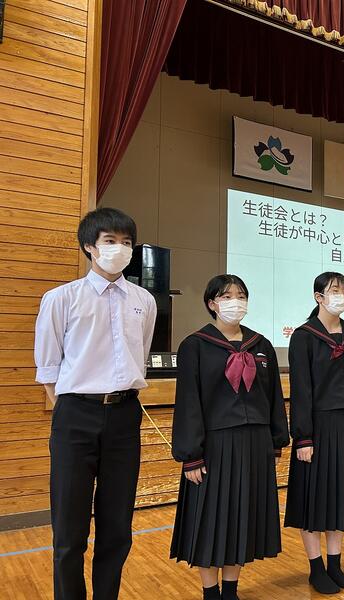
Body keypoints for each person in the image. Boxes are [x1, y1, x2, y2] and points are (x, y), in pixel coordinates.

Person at [34, 208, 157, 600]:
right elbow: (49, 368)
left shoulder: (144, 301)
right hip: (75, 414)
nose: (119, 248)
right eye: (110, 241)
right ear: (89, 246)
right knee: (69, 530)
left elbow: (141, 355)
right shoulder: (61, 299)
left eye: (126, 242)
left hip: (125, 416)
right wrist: (75, 409)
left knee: (117, 528)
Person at [170, 275, 289, 600]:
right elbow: (189, 402)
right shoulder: (195, 345)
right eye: (226, 296)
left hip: (255, 444)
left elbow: (273, 396)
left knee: (242, 517)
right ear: (212, 303)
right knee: (210, 520)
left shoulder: (261, 345)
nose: (235, 302)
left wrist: (277, 439)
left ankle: (231, 591)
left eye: (241, 295)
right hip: (215, 447)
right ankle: (211, 592)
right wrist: (191, 455)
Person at [284, 272, 344, 594]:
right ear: (319, 297)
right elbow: (301, 390)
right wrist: (304, 437)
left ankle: (335, 565)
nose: (341, 295)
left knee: (340, 498)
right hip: (318, 428)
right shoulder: (304, 336)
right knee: (314, 500)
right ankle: (316, 568)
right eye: (334, 290)